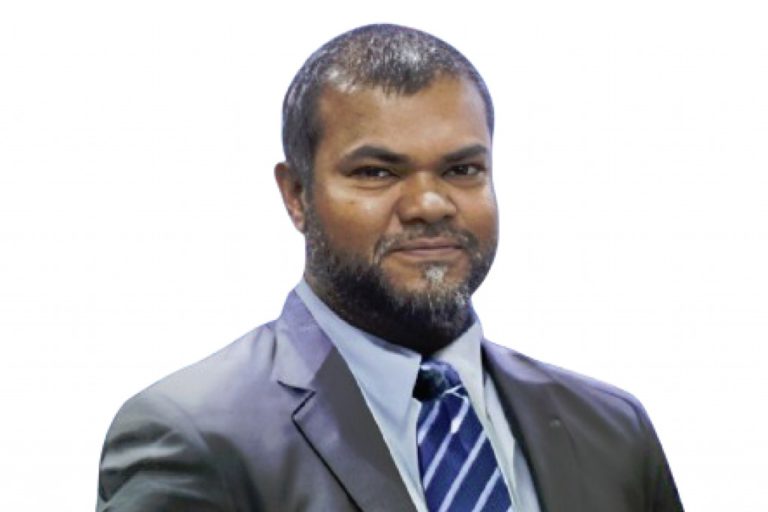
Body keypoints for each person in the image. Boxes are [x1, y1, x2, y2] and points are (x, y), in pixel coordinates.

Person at [96, 24, 684, 512]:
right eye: (376, 172)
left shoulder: (612, 429)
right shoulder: (192, 436)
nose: (430, 204)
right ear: (297, 195)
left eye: (462, 170)